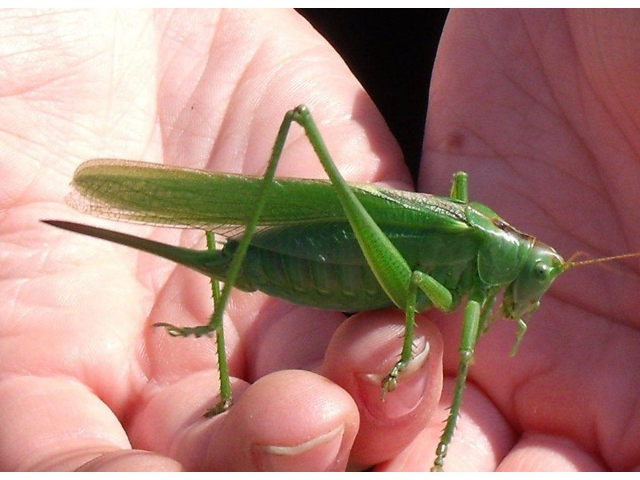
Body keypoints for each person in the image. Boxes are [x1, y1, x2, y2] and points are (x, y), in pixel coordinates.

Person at [1, 9, 638, 471]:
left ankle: (220, 312)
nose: (533, 294)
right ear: (516, 256)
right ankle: (232, 288)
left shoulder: (492, 246)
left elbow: (435, 259)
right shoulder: (475, 240)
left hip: (360, 248)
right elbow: (417, 285)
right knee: (413, 281)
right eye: (536, 278)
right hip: (328, 252)